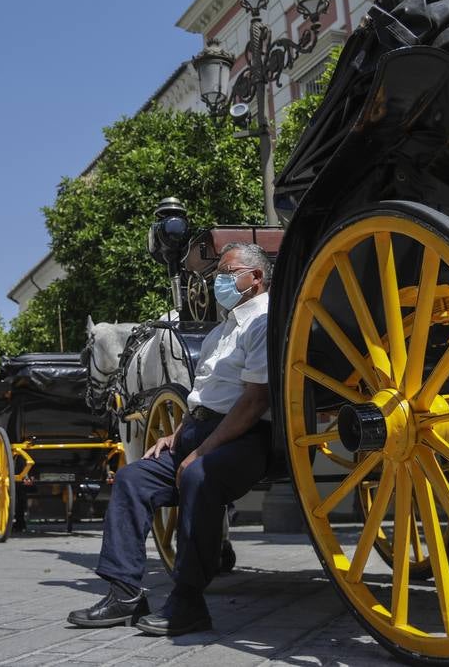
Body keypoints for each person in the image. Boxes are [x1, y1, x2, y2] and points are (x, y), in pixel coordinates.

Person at [67, 242, 273, 637]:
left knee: (199, 478)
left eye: (227, 274)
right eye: (218, 276)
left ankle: (189, 601)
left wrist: (199, 453)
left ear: (256, 278)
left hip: (244, 438)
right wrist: (176, 436)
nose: (218, 283)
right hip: (199, 432)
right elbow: (204, 397)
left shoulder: (263, 323)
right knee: (131, 479)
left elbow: (253, 401)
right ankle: (125, 592)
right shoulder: (221, 330)